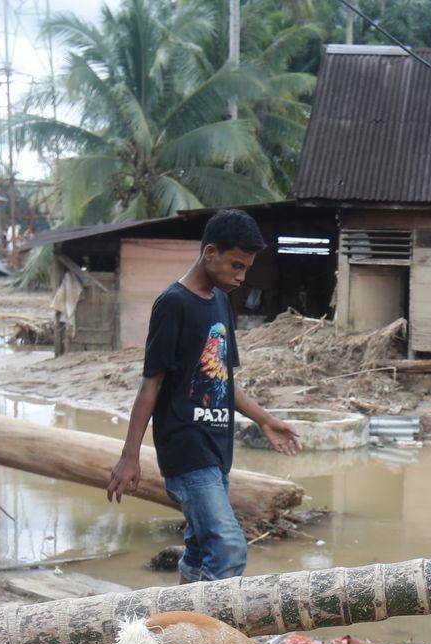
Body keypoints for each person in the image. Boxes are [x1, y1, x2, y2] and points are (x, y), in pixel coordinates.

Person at [107, 209, 301, 582]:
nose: (241, 277)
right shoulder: (173, 304)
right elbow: (151, 385)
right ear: (210, 253)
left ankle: (176, 631)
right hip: (186, 451)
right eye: (236, 266)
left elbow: (223, 381)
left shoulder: (220, 303)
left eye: (245, 268)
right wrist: (129, 456)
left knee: (199, 552)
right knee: (228, 548)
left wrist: (264, 419)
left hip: (216, 451)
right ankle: (205, 637)